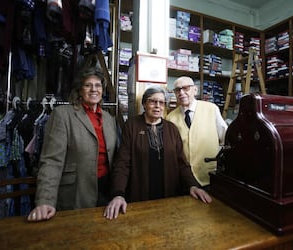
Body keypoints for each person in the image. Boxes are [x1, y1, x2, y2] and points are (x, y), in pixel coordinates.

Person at [103, 87, 212, 220]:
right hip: (140, 195)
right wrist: (118, 194)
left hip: (169, 196)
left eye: (161, 102)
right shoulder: (131, 126)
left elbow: (182, 163)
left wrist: (193, 185)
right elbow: (122, 163)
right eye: (152, 101)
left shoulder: (171, 129)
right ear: (144, 104)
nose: (157, 106)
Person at [27, 68, 118, 222]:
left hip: (105, 191)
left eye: (98, 85)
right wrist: (45, 201)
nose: (94, 89)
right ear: (79, 90)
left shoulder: (109, 118)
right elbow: (51, 161)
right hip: (76, 192)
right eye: (88, 85)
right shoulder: (63, 115)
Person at [166, 76, 227, 188]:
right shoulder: (170, 118)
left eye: (186, 88)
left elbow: (225, 139)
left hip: (209, 175)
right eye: (177, 90)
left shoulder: (211, 109)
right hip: (183, 179)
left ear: (195, 90)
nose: (181, 93)